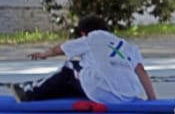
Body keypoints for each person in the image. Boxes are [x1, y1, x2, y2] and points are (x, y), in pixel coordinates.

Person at [13, 15, 157, 103]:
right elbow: (142, 71)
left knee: (70, 66)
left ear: (83, 33)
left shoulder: (91, 38)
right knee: (83, 74)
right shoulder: (126, 45)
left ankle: (29, 92)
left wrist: (43, 54)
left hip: (102, 93)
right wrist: (152, 100)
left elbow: (60, 49)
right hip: (128, 96)